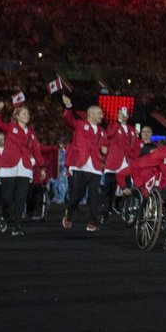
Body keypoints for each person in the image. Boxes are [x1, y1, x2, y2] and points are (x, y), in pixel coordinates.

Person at [0, 100, 44, 236]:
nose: (27, 115)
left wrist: (42, 166)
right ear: (17, 116)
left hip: (25, 167)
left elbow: (36, 150)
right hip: (8, 166)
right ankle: (4, 216)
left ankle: (17, 226)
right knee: (7, 198)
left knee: (21, 198)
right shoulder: (10, 127)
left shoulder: (31, 133)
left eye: (28, 113)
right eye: (24, 113)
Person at [61, 97, 108, 232]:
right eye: (99, 113)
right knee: (78, 194)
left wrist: (105, 149)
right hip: (80, 164)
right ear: (90, 114)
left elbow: (104, 147)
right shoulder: (80, 125)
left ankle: (92, 222)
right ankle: (68, 214)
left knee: (94, 196)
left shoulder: (102, 132)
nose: (102, 116)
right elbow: (68, 119)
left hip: (95, 167)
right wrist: (69, 106)